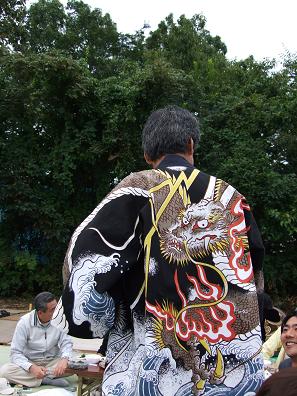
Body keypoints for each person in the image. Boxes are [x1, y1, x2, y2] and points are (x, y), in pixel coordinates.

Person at [52, 105, 265, 395]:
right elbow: (255, 273)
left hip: (147, 376)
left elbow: (83, 255)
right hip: (231, 378)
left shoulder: (138, 188)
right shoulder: (232, 197)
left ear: (147, 155)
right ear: (191, 144)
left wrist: (97, 322)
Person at [0, 292, 73, 388]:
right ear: (40, 313)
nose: (57, 311)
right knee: (5, 371)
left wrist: (64, 359)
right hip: (30, 362)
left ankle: (36, 378)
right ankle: (45, 380)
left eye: (57, 307)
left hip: (52, 361)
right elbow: (15, 353)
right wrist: (31, 367)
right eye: (52, 310)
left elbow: (66, 343)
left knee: (75, 365)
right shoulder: (24, 323)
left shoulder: (61, 318)